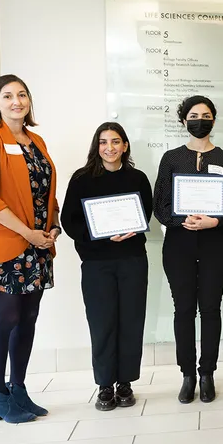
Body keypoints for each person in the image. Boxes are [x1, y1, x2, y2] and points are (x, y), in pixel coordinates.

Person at [0, 74, 58, 424]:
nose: (16, 101)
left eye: (22, 95)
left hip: (37, 247)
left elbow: (45, 192)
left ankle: (18, 389)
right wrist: (28, 233)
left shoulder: (35, 141)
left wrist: (52, 227)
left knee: (28, 319)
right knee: (5, 318)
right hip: (5, 245)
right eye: (7, 96)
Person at [153, 95, 223, 404]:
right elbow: (160, 205)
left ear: (213, 121)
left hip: (215, 243)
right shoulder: (171, 158)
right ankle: (187, 374)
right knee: (183, 310)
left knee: (210, 308)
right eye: (193, 115)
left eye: (205, 115)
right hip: (178, 244)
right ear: (183, 121)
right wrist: (182, 220)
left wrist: (212, 222)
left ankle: (207, 373)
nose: (199, 119)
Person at [61, 122, 153, 411]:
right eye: (103, 142)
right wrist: (98, 234)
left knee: (131, 321)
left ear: (125, 146)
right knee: (102, 324)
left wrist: (131, 230)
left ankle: (125, 382)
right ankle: (104, 385)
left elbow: (145, 213)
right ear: (96, 146)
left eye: (115, 141)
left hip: (132, 260)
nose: (109, 148)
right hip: (96, 263)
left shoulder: (137, 178)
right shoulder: (82, 179)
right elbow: (69, 221)